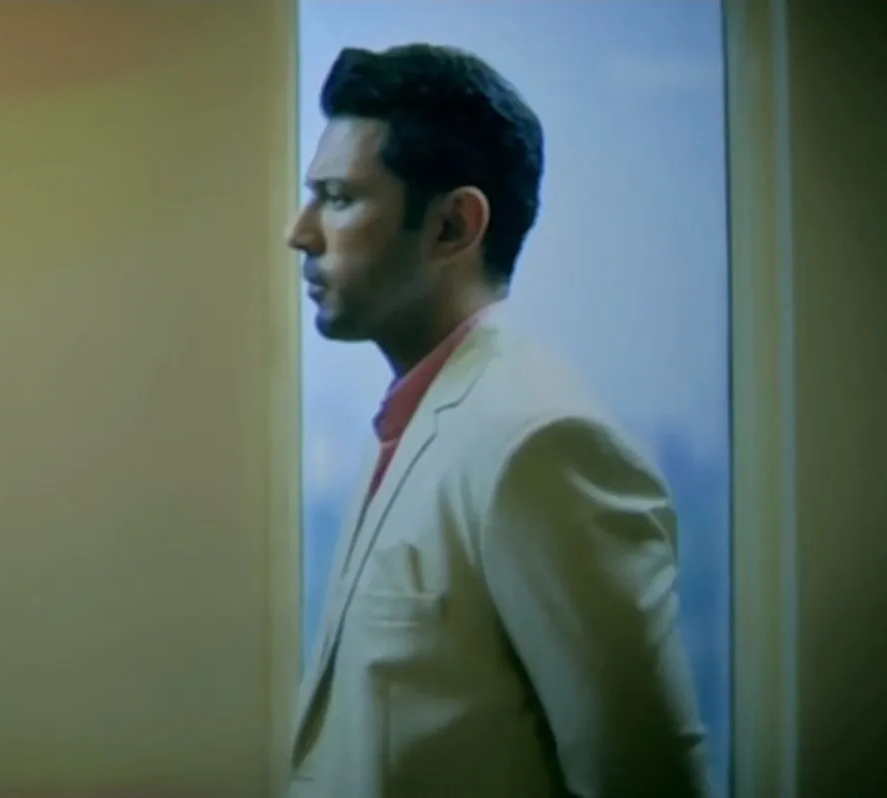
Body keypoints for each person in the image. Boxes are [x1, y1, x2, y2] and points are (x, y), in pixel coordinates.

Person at [283, 45, 708, 797]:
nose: (301, 232)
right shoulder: (414, 420)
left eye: (338, 198)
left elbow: (645, 780)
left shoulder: (541, 442)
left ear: (453, 226)